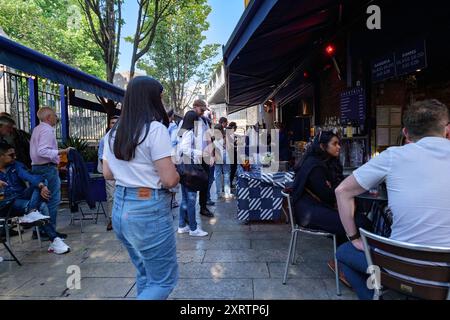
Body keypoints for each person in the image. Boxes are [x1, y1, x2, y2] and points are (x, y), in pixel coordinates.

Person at [335, 99, 450, 300]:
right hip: (445, 278)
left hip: (400, 270)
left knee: (344, 252)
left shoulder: (393, 156)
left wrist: (354, 238)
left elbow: (342, 191)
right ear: (447, 130)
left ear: (405, 133)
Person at [102, 76, 179, 300]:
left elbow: (107, 173)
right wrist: (177, 175)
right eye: (160, 97)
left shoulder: (112, 134)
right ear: (151, 98)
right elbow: (169, 180)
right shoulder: (155, 130)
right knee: (163, 280)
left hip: (121, 209)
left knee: (144, 271)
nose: (162, 102)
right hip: (148, 210)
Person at [291, 130, 372, 278]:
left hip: (314, 207)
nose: (339, 147)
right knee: (360, 222)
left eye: (339, 143)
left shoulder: (323, 162)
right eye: (334, 144)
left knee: (355, 218)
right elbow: (328, 196)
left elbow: (334, 191)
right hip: (308, 213)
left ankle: (343, 262)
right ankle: (343, 264)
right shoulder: (315, 166)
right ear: (322, 146)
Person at [0, 142, 70, 254]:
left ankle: (31, 212)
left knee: (42, 180)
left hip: (21, 197)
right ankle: (54, 239)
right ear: (1, 156)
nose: (15, 157)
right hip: (6, 204)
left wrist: (41, 186)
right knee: (41, 206)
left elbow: (28, 176)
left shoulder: (15, 165)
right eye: (11, 155)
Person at [30, 107, 71, 240]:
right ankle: (49, 231)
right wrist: (62, 151)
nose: (56, 118)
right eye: (54, 115)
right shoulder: (47, 130)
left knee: (42, 201)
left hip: (38, 167)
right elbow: (42, 151)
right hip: (46, 168)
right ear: (48, 117)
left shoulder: (37, 129)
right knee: (53, 200)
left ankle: (41, 230)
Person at [177, 111, 209, 237]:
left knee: (185, 199)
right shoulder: (189, 132)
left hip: (182, 167)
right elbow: (185, 149)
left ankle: (181, 225)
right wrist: (199, 153)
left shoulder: (181, 132)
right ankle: (193, 228)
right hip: (190, 168)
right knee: (191, 199)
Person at [192, 99, 214, 217]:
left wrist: (211, 155)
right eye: (202, 110)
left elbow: (208, 138)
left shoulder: (203, 121)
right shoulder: (187, 121)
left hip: (204, 157)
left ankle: (203, 207)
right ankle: (188, 211)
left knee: (205, 183)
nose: (203, 112)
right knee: (192, 184)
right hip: (192, 158)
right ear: (195, 107)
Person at [97, 115, 119, 231]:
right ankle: (111, 219)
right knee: (111, 196)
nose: (114, 125)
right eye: (112, 123)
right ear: (109, 125)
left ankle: (121, 219)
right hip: (110, 172)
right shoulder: (104, 139)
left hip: (123, 173)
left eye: (116, 122)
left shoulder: (124, 138)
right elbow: (101, 157)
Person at [227, 122, 238, 188]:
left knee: (232, 168)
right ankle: (229, 183)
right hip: (231, 153)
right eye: (235, 127)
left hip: (232, 153)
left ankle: (229, 183)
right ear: (233, 127)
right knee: (232, 168)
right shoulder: (230, 134)